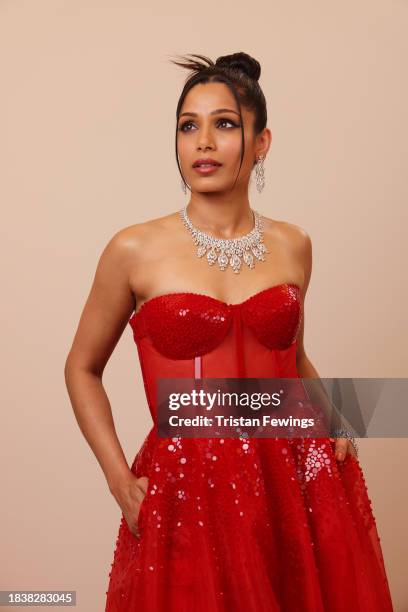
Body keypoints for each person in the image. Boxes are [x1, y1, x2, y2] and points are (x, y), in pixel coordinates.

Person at [64, 52, 394, 611]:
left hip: (296, 474)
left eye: (224, 124)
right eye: (188, 126)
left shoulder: (294, 244)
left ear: (261, 142)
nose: (203, 142)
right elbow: (81, 368)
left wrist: (339, 418)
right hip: (194, 483)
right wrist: (119, 480)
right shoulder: (133, 249)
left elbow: (293, 358)